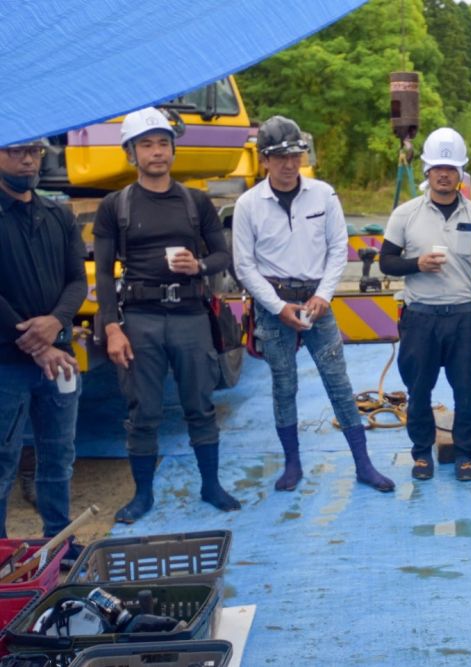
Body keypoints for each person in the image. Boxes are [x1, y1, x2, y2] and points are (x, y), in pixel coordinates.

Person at [94, 107, 241, 523]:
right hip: (139, 318)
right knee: (144, 410)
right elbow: (104, 274)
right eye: (147, 145)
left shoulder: (195, 203)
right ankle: (143, 495)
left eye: (163, 143)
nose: (157, 152)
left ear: (173, 150)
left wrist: (199, 266)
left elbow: (222, 255)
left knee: (200, 404)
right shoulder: (115, 206)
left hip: (190, 316)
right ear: (131, 153)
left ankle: (211, 486)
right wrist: (112, 328)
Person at [233, 116, 394, 493]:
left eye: (295, 155)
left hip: (318, 303)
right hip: (275, 308)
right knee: (283, 386)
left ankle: (364, 464)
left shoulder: (324, 194)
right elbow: (244, 264)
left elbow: (338, 248)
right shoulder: (248, 205)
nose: (289, 164)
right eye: (279, 157)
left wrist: (324, 294)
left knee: (339, 383)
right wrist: (276, 307)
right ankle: (292, 464)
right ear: (264, 161)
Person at [379, 127, 471, 482]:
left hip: (463, 317)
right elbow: (387, 261)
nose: (444, 174)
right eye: (437, 168)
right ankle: (421, 454)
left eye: (451, 168)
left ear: (461, 172)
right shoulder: (405, 214)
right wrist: (416, 264)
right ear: (427, 171)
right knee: (419, 391)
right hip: (420, 318)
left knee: (465, 390)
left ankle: (464, 455)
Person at [0, 137, 86, 539]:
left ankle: (59, 537)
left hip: (60, 360)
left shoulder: (58, 215)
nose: (27, 160)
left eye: (33, 152)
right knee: (3, 458)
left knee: (58, 455)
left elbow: (77, 281)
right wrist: (37, 344)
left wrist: (55, 322)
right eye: (16, 152)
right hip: (6, 364)